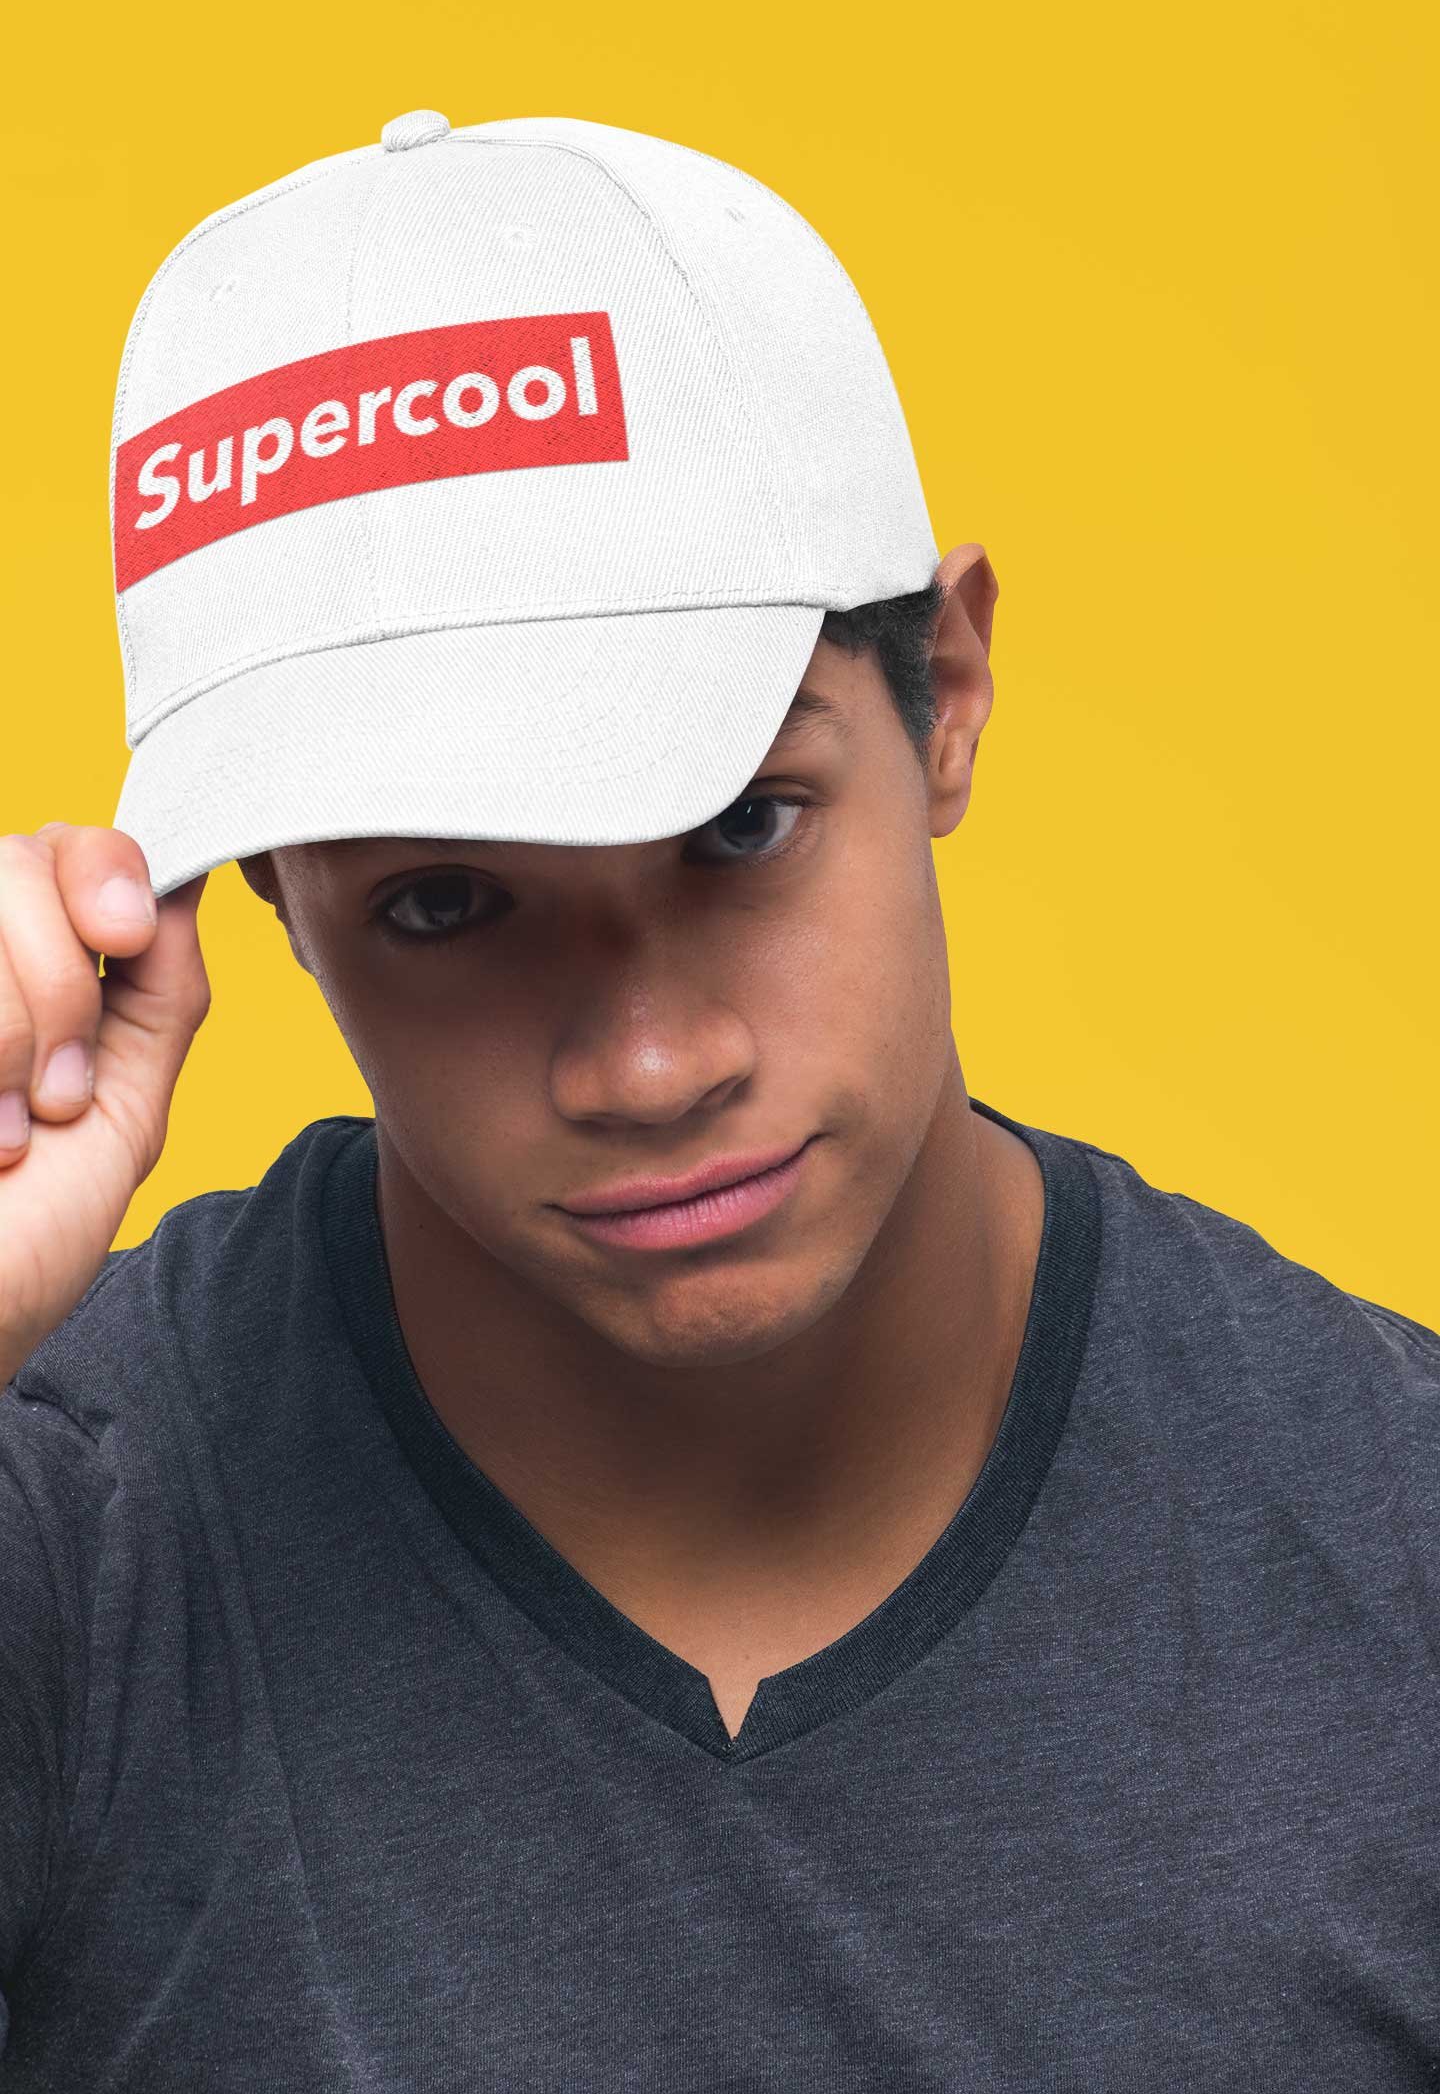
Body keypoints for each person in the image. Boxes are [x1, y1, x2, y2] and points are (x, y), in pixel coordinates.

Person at [0, 111, 1435, 2090]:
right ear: (275, 904)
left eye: (744, 827)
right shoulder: (68, 1557)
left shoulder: (1396, 1552)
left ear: (947, 692)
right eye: (444, 903)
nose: (650, 1066)